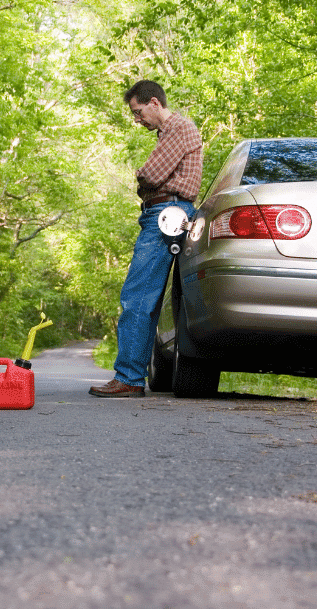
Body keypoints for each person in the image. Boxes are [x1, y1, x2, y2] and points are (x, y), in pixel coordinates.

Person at [89, 80, 203, 398]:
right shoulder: (169, 133)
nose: (137, 119)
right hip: (164, 212)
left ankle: (128, 377)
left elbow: (150, 175)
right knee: (147, 300)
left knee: (136, 296)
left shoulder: (177, 127)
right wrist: (147, 178)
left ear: (154, 103)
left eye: (138, 112)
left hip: (166, 213)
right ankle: (132, 375)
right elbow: (151, 175)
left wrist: (143, 175)